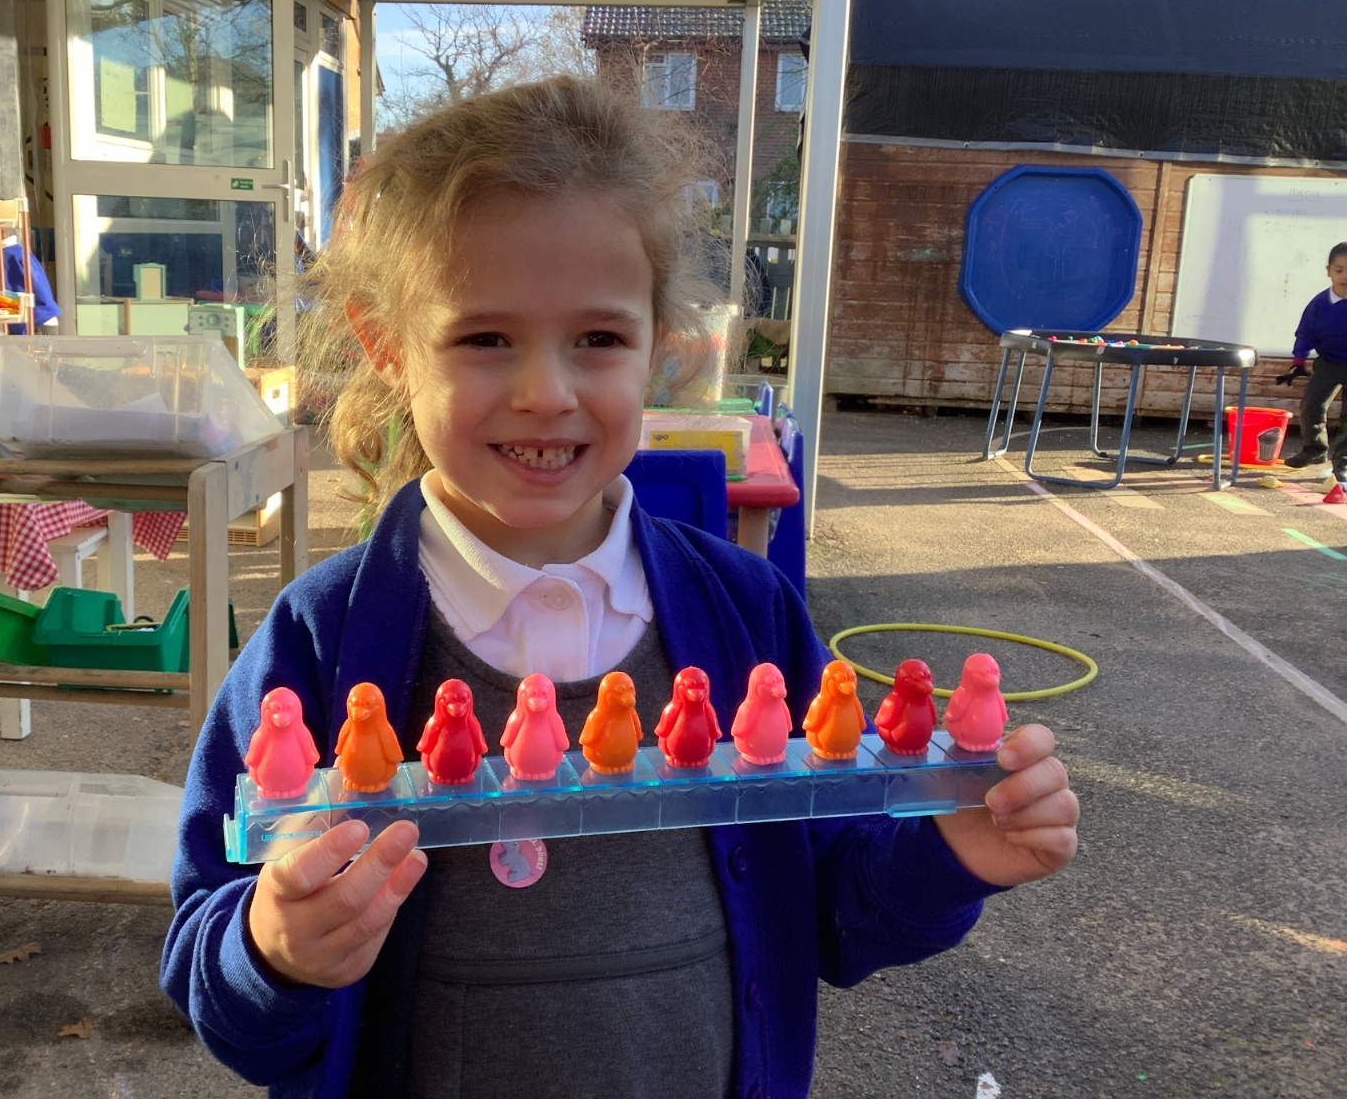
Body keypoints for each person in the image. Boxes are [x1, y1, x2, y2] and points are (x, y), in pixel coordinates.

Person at [161, 78, 1079, 1099]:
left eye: (597, 339)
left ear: (657, 346)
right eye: (484, 338)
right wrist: (273, 953)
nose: (546, 392)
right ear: (386, 344)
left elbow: (831, 911)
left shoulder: (748, 615)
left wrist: (951, 853)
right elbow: (209, 962)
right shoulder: (318, 641)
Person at [1282, 241, 1347, 483]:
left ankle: (1343, 463)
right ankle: (1314, 450)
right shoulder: (1319, 304)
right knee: (1311, 405)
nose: (1345, 276)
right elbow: (1305, 332)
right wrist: (1299, 359)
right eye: (1339, 270)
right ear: (1328, 271)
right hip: (1329, 362)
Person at [0, 199, 59, 334]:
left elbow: (13, 308)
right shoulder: (17, 252)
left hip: (34, 325)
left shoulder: (6, 259)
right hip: (40, 322)